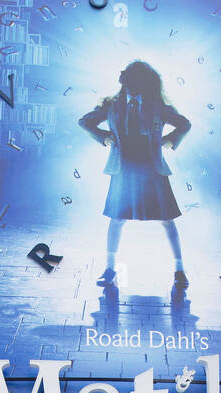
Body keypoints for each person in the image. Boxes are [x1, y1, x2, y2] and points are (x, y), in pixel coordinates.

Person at [79, 61, 191, 292]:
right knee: (117, 218)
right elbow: (85, 121)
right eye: (127, 83)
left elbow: (184, 124)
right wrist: (103, 135)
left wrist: (170, 139)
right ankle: (110, 268)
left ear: (144, 85)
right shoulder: (111, 105)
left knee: (167, 219)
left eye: (134, 85)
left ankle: (180, 270)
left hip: (151, 166)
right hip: (124, 166)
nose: (129, 88)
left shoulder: (157, 106)